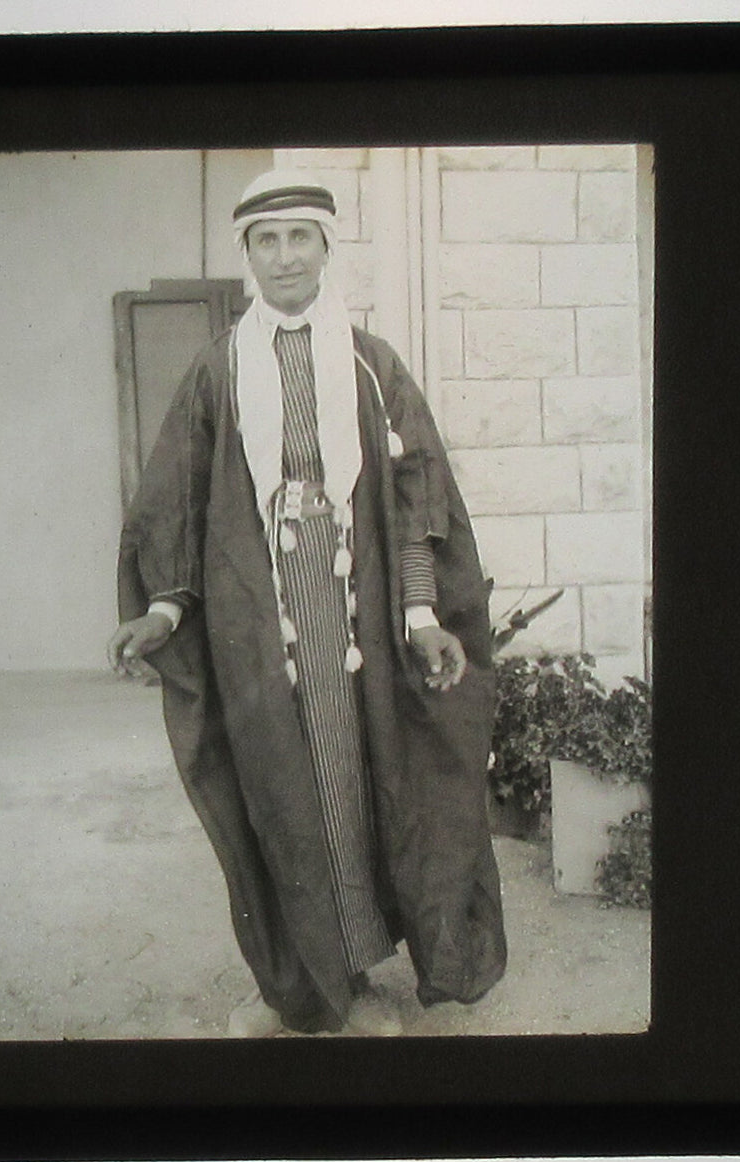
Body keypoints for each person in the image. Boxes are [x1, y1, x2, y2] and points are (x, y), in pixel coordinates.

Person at [108, 169, 506, 1036]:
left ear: (327, 247)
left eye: (299, 237)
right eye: (265, 239)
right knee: (272, 792)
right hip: (256, 616)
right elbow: (177, 502)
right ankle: (292, 989)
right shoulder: (216, 372)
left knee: (347, 777)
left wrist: (423, 613)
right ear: (245, 253)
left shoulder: (372, 365)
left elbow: (415, 497)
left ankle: (357, 979)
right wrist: (165, 610)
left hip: (353, 608)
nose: (283, 255)